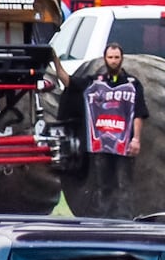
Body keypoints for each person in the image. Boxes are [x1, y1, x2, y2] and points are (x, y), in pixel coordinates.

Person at [61, 43, 148, 217]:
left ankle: (124, 220)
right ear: (105, 59)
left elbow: (139, 113)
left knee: (123, 184)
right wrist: (55, 61)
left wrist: (136, 139)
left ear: (122, 59)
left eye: (116, 57)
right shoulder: (95, 82)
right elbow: (69, 82)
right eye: (110, 57)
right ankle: (104, 221)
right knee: (103, 185)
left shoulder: (133, 84)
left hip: (124, 145)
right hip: (101, 145)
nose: (113, 61)